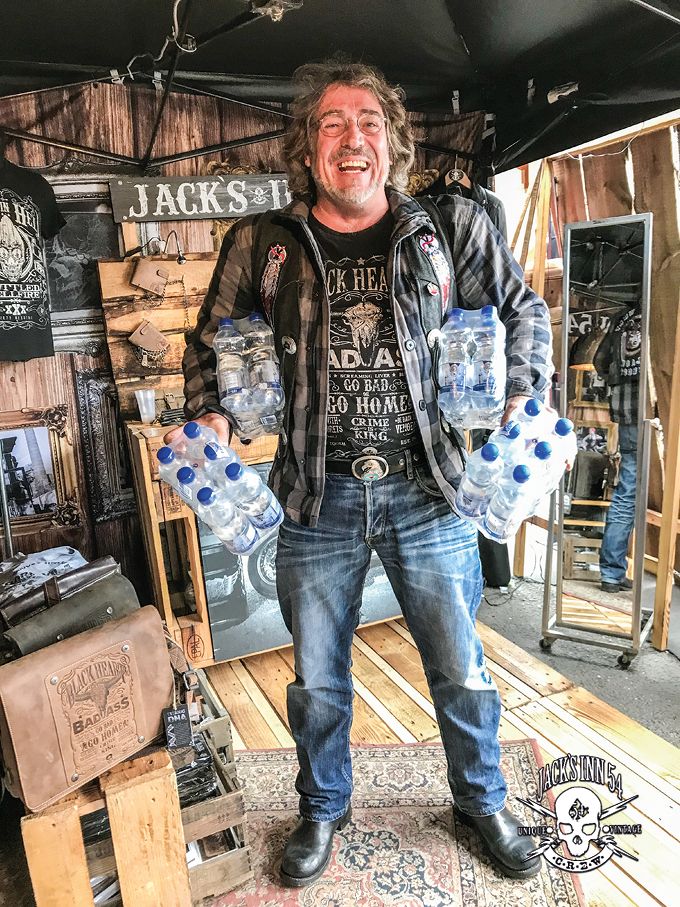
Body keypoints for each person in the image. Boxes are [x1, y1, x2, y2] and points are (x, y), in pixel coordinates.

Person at [169, 60, 553, 885]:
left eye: (370, 123)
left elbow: (522, 308)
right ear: (307, 148)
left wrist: (523, 391)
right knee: (318, 677)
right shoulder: (263, 243)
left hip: (430, 489)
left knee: (461, 666)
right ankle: (322, 806)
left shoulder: (447, 228)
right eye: (333, 124)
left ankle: (481, 799)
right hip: (316, 494)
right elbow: (211, 340)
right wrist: (212, 412)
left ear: (393, 143)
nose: (354, 138)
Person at [594, 304, 641, 593]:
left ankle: (611, 573)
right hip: (660, 413)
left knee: (627, 491)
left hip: (627, 411)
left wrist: (621, 379)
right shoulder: (666, 311)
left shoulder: (621, 317)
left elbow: (600, 361)